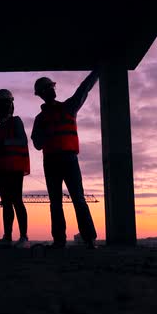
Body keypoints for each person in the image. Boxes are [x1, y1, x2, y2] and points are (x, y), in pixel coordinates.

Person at [31, 69, 99, 249]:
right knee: (60, 202)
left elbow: (84, 89)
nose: (50, 90)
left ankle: (87, 239)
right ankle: (62, 240)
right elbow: (37, 144)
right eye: (47, 88)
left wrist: (97, 71)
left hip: (67, 159)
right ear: (42, 94)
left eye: (50, 87)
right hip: (55, 161)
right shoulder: (42, 118)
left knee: (77, 199)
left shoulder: (67, 107)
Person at [0, 89, 30, 248]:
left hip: (15, 167)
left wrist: (2, 143)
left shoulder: (16, 121)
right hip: (3, 168)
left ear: (7, 105)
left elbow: (22, 140)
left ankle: (24, 237)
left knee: (17, 200)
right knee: (6, 203)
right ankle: (7, 237)